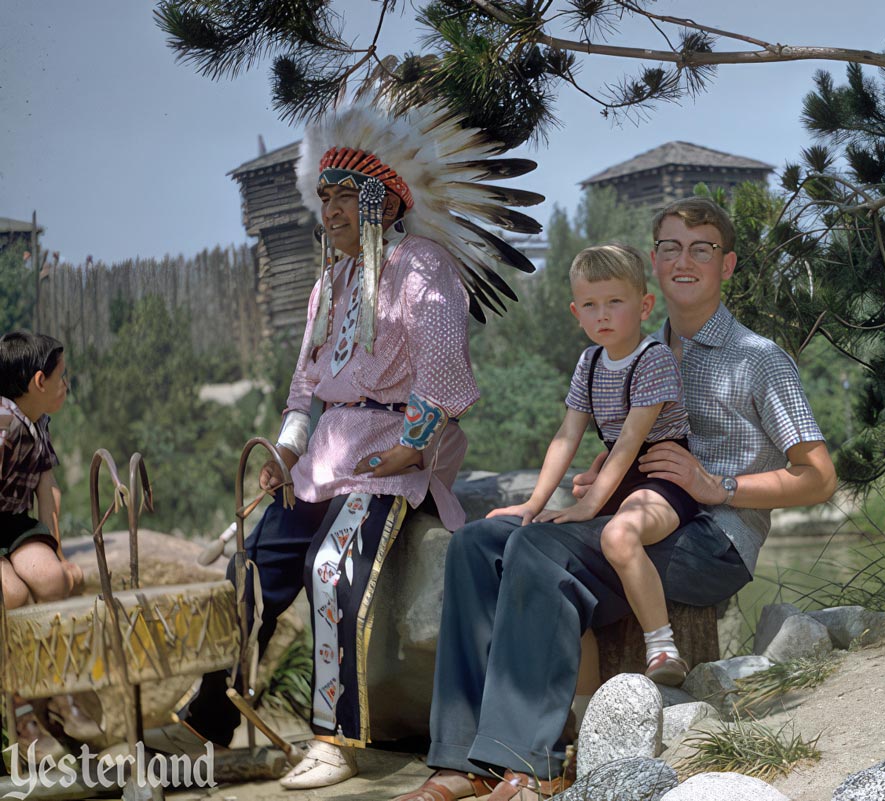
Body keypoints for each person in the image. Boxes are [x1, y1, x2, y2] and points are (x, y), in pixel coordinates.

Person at [401, 197, 837, 801]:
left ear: (728, 265)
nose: (685, 260)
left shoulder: (758, 360)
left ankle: (530, 764)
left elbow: (819, 478)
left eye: (702, 248)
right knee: (478, 543)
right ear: (653, 267)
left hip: (713, 540)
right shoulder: (629, 345)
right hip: (631, 519)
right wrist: (587, 480)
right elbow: (618, 436)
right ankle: (460, 761)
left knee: (542, 551)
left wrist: (721, 486)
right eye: (670, 247)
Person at [163, 98, 542, 790]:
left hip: (387, 452)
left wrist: (411, 446)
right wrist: (284, 450)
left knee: (331, 568)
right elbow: (305, 384)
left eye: (345, 197)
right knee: (250, 569)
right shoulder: (328, 283)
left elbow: (442, 370)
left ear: (383, 202)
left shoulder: (422, 267)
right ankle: (206, 718)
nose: (329, 210)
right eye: (324, 196)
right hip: (323, 458)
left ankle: (335, 739)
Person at [487, 243, 699, 687]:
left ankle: (662, 647)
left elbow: (628, 443)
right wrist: (532, 504)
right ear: (575, 312)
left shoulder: (653, 358)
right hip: (616, 480)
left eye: (614, 302)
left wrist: (587, 507)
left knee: (618, 534)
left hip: (662, 479)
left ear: (644, 306)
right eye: (590, 305)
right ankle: (582, 721)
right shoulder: (590, 362)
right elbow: (567, 436)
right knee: (562, 579)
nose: (602, 315)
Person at [0, 331, 94, 761]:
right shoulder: (2, 426)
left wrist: (56, 553)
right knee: (12, 594)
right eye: (62, 376)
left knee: (53, 580)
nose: (66, 384)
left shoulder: (37, 423)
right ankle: (18, 710)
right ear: (39, 381)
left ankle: (58, 690)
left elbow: (46, 489)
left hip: (13, 523)